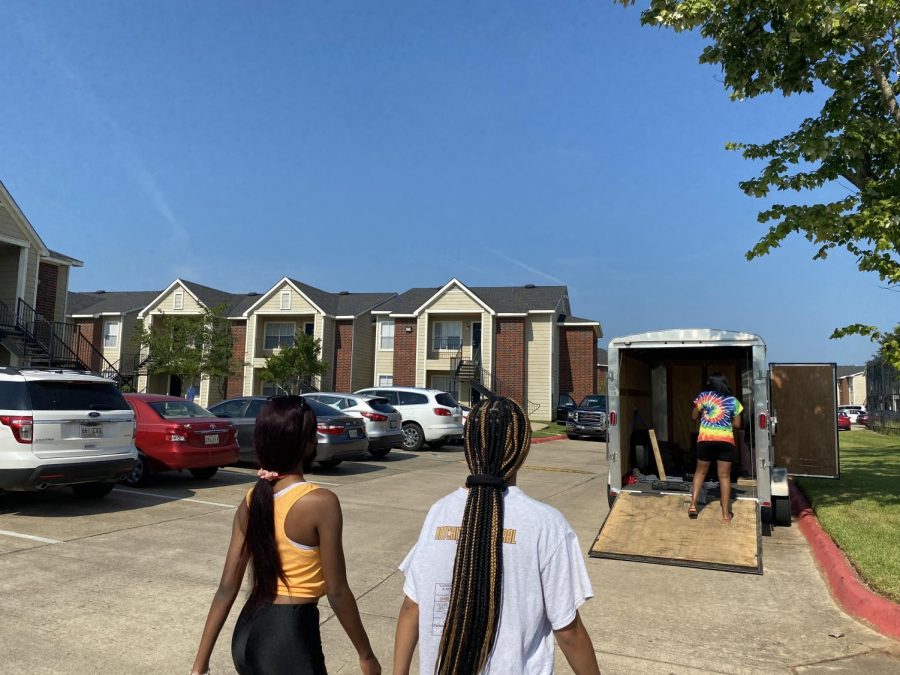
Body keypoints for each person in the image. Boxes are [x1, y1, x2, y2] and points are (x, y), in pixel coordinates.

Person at [392, 397, 600, 675]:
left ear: (469, 447)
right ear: (522, 450)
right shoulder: (546, 524)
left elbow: (411, 608)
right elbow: (568, 631)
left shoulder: (439, 513)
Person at [191, 395, 381, 675]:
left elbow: (226, 589)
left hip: (247, 633)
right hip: (289, 638)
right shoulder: (319, 502)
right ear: (306, 445)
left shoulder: (252, 499)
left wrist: (200, 665)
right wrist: (366, 655)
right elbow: (337, 591)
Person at [689, 373, 744, 524]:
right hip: (725, 441)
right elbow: (738, 425)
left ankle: (693, 505)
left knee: (700, 473)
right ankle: (726, 514)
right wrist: (724, 423)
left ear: (710, 383)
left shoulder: (703, 397)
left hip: (706, 440)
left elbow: (694, 416)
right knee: (724, 477)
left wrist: (705, 416)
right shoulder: (733, 401)